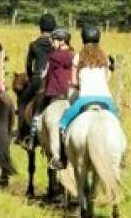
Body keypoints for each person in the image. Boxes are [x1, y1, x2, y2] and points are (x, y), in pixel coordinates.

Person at [54, 25, 118, 169]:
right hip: (106, 100)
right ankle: (120, 157)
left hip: (85, 99)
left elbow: (75, 82)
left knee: (62, 124)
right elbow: (107, 79)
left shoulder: (78, 57)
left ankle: (62, 159)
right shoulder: (105, 57)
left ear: (83, 38)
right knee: (117, 123)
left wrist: (77, 85)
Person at [23, 28, 74, 150]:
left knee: (38, 109)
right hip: (70, 93)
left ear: (61, 41)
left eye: (54, 40)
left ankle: (31, 138)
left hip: (55, 92)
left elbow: (48, 75)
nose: (51, 42)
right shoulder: (74, 56)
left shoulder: (53, 56)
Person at [16, 14, 56, 142]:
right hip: (51, 80)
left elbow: (28, 64)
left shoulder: (33, 44)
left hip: (37, 78)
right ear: (53, 28)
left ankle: (21, 134)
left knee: (22, 101)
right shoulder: (56, 44)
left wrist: (30, 75)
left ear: (40, 28)